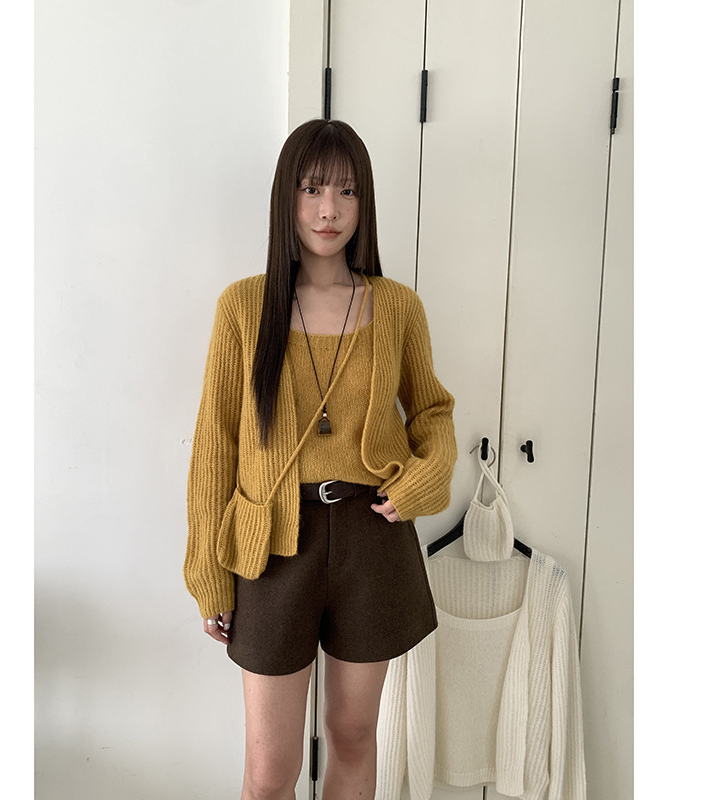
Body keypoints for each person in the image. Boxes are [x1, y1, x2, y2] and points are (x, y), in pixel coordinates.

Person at [184, 118, 458, 800]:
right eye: (312, 189)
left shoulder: (397, 308)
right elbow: (216, 442)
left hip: (372, 536)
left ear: (364, 204)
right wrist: (209, 574)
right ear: (288, 197)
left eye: (346, 191)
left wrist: (422, 480)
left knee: (353, 736)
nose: (328, 209)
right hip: (273, 546)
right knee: (269, 772)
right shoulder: (244, 307)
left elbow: (432, 412)